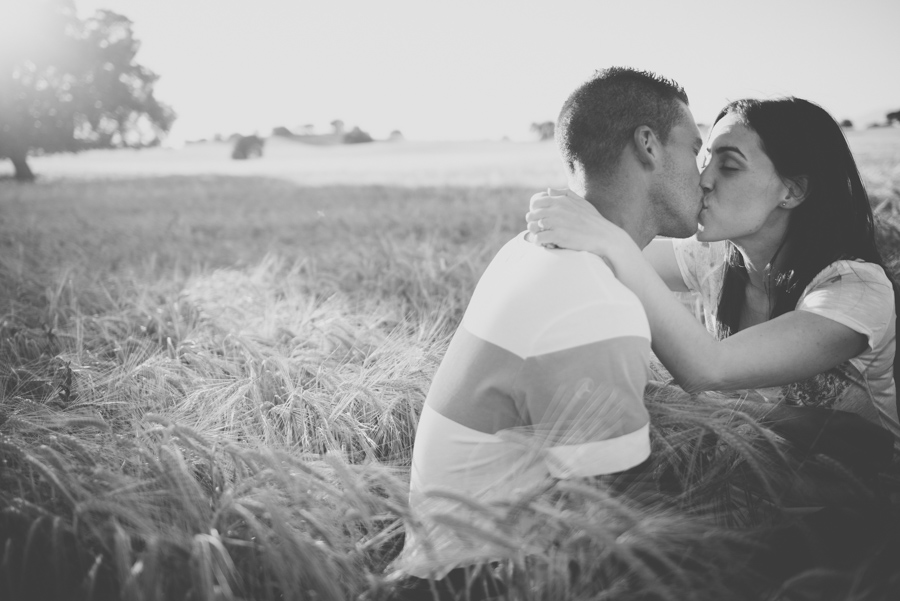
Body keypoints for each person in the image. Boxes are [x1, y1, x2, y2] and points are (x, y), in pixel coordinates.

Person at [387, 66, 706, 599]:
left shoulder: (535, 249)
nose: (705, 175)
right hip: (483, 583)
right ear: (648, 146)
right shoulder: (595, 305)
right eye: (695, 151)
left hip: (444, 566)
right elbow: (615, 534)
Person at [525, 97, 900, 460]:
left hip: (862, 504)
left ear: (793, 190)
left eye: (730, 166)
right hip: (755, 479)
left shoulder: (855, 291)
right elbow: (596, 257)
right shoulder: (713, 257)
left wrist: (611, 241)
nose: (703, 180)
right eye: (704, 161)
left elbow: (707, 369)